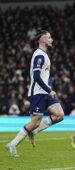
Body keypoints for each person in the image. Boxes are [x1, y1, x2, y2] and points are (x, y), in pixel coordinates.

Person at [6, 29, 64, 157]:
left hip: (44, 92)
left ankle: (34, 131)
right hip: (38, 92)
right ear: (43, 39)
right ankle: (12, 144)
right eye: (49, 38)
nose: (51, 40)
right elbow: (37, 76)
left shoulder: (44, 54)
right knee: (35, 122)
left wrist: (47, 90)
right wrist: (49, 89)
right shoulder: (39, 55)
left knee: (59, 115)